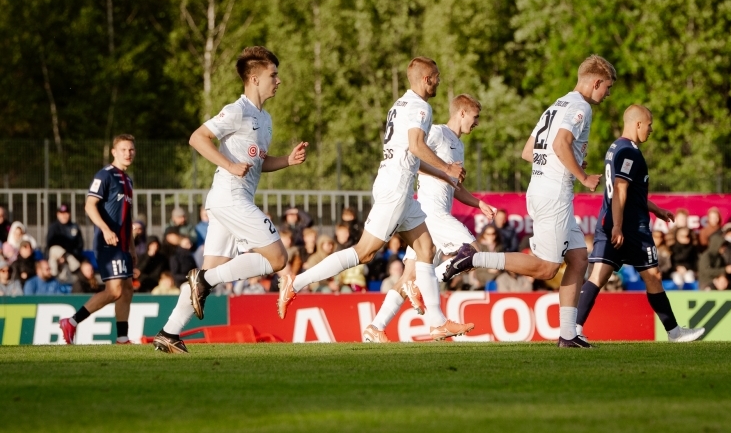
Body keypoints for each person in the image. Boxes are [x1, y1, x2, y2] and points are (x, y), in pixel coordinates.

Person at [279, 57, 475, 342]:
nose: (438, 82)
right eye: (436, 77)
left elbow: (411, 156)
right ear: (426, 79)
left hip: (399, 187)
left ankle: (437, 323)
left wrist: (446, 176)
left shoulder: (400, 105)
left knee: (425, 248)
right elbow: (417, 147)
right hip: (395, 188)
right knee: (364, 252)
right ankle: (296, 283)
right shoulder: (421, 107)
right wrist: (447, 167)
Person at [441, 54, 614, 348]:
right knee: (547, 268)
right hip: (555, 193)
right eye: (607, 88)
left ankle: (568, 334)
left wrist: (553, 168)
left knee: (578, 258)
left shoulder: (557, 104)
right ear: (596, 82)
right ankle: (474, 258)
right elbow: (560, 144)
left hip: (543, 188)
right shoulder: (580, 107)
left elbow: (527, 151)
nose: (607, 94)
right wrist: (582, 177)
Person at [152, 46, 308, 354]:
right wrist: (229, 165)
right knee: (278, 258)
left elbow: (260, 163)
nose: (278, 80)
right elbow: (197, 137)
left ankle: (168, 333)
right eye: (272, 75)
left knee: (208, 277)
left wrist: (287, 161)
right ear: (253, 78)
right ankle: (205, 279)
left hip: (229, 202)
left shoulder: (265, 119)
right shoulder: (237, 110)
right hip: (230, 197)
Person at [363, 94, 496, 342]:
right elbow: (415, 155)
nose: (477, 123)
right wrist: (444, 168)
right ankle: (430, 285)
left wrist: (478, 203)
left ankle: (375, 327)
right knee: (473, 252)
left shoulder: (460, 145)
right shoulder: (436, 133)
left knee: (408, 278)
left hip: (427, 218)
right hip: (431, 212)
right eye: (475, 117)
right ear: (462, 113)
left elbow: (453, 184)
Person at [575, 105, 704, 343]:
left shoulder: (615, 147)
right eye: (649, 124)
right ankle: (675, 333)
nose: (651, 129)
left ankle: (573, 329)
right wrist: (618, 226)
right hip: (630, 228)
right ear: (637, 124)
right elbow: (621, 191)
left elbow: (631, 192)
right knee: (653, 276)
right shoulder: (629, 151)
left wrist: (657, 210)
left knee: (597, 277)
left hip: (612, 222)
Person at [59, 134, 137, 344]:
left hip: (122, 244)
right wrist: (104, 229)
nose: (128, 153)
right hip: (107, 243)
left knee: (127, 288)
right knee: (114, 290)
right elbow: (89, 205)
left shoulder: (128, 180)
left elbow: (127, 218)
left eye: (131, 149)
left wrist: (132, 247)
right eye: (123, 149)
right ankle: (72, 322)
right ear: (114, 152)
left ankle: (122, 338)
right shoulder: (104, 175)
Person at [45, 204, 85, 282]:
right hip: (57, 258)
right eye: (61, 213)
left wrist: (68, 255)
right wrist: (61, 256)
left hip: (72, 256)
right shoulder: (53, 227)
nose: (64, 216)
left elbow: (80, 245)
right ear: (58, 215)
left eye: (66, 213)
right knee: (54, 251)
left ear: (69, 214)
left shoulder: (74, 227)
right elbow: (50, 244)